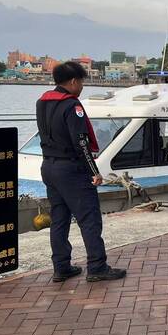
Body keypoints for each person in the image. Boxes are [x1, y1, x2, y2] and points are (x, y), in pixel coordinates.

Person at [36, 61, 127, 282]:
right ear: (74, 81)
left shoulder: (42, 101)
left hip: (48, 166)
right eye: (82, 82)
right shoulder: (72, 106)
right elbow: (81, 142)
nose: (82, 87)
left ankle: (61, 267)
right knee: (89, 218)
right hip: (70, 169)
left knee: (59, 218)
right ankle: (97, 266)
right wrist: (94, 171)